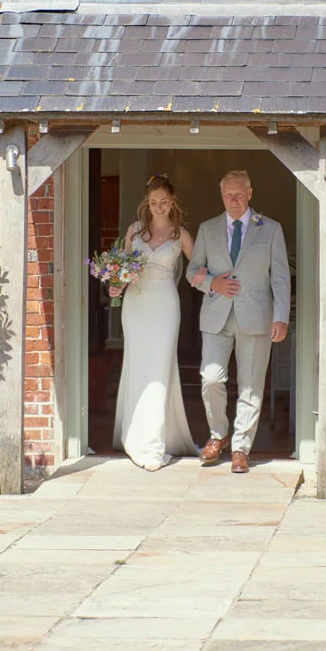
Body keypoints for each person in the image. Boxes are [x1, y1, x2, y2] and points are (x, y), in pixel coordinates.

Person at [185, 170, 290, 474]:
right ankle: (219, 435)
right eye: (228, 194)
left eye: (239, 194)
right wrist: (212, 283)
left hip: (257, 317)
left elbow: (280, 277)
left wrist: (280, 317)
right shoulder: (207, 229)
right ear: (221, 196)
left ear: (250, 193)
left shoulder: (270, 229)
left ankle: (241, 448)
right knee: (211, 379)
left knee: (251, 386)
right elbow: (192, 271)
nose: (234, 199)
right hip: (216, 317)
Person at [107, 175, 199, 471]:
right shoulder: (134, 232)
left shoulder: (180, 235)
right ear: (147, 204)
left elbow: (199, 269)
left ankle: (154, 445)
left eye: (163, 201)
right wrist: (115, 284)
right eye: (153, 202)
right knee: (138, 366)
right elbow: (121, 269)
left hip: (165, 305)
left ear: (172, 201)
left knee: (160, 369)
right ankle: (136, 434)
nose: (158, 207)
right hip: (136, 305)